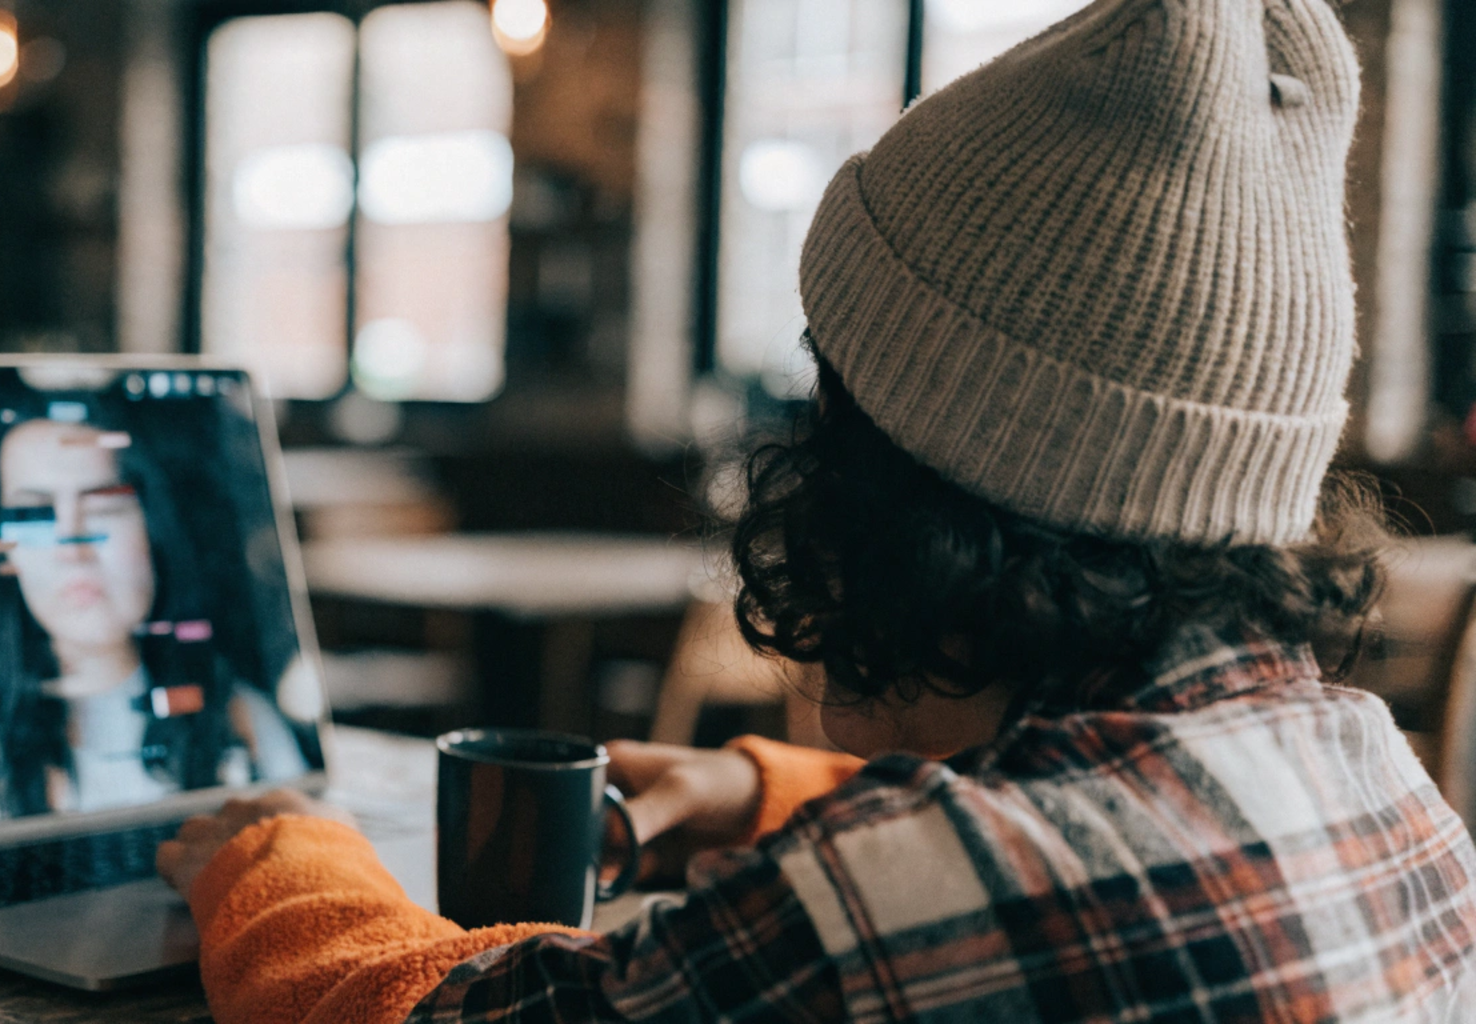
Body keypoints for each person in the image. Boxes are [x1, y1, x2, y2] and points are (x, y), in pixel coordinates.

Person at [150, 0, 1476, 1020]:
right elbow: (1096, 858)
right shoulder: (1380, 788)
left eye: (834, 398)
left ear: (908, 486)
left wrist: (273, 856)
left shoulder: (901, 910)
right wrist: (757, 791)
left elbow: (443, 1011)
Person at [0, 413, 307, 847]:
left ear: (154, 528)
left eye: (104, 507)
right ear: (7, 549)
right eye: (33, 513)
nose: (71, 546)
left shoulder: (238, 717)